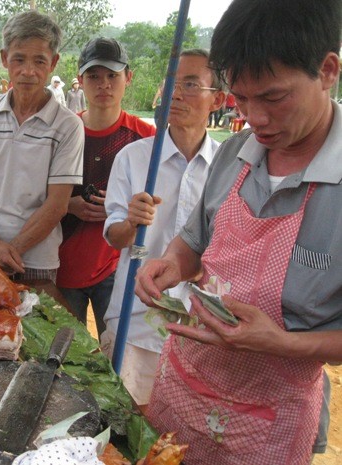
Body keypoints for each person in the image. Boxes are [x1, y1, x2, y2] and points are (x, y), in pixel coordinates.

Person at [134, 1, 341, 463]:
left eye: (272, 98)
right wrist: (171, 263)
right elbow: (194, 240)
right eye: (241, 99)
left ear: (328, 70)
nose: (255, 119)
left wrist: (283, 343)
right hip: (184, 383)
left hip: (268, 422)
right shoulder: (235, 154)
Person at [101, 49, 224, 414]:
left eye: (190, 84)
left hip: (201, 327)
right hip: (135, 318)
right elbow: (113, 236)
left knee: (181, 430)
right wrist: (130, 223)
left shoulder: (227, 167)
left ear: (217, 99)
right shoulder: (134, 157)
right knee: (126, 420)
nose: (177, 93)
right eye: (171, 82)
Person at [0, 10, 84, 282]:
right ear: (5, 58)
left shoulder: (68, 125)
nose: (28, 71)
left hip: (36, 261)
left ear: (53, 62)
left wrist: (9, 252)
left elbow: (57, 204)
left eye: (39, 60)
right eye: (18, 59)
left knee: (32, 324)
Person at [56, 38, 155, 335]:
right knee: (65, 358)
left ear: (128, 77)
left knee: (114, 358)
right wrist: (67, 204)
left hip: (116, 268)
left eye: (112, 75)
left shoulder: (146, 139)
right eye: (94, 76)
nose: (104, 85)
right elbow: (32, 193)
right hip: (60, 266)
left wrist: (122, 211)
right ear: (80, 80)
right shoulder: (62, 133)